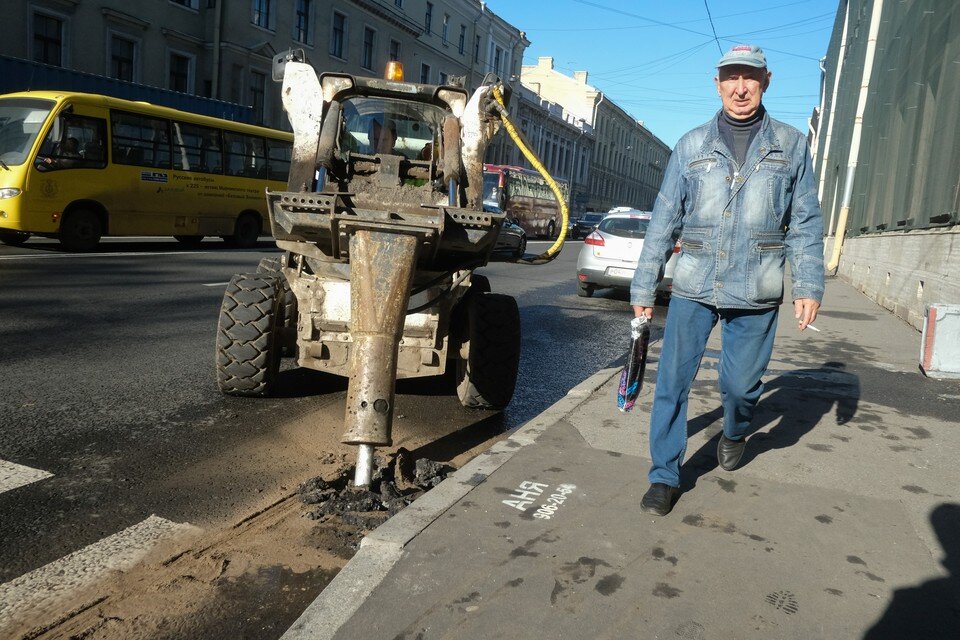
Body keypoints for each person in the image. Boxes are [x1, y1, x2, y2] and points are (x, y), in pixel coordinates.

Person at [629, 44, 825, 516]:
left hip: (756, 286)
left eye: (750, 78)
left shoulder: (791, 145)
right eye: (731, 78)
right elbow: (663, 221)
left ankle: (736, 430)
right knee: (672, 383)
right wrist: (643, 288)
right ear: (716, 84)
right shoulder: (691, 145)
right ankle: (664, 475)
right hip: (696, 283)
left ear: (766, 81)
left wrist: (808, 285)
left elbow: (804, 220)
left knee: (740, 387)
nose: (740, 87)